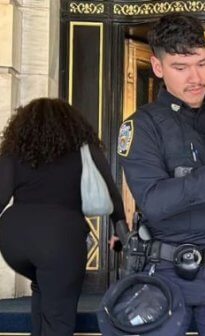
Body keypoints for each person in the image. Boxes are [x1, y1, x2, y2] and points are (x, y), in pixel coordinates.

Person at [116, 13, 205, 336]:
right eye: (181, 67)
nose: (196, 77)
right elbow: (154, 202)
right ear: (158, 67)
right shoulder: (141, 126)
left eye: (202, 63)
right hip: (164, 273)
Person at [0, 98, 125, 335]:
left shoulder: (14, 151)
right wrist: (120, 233)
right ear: (72, 124)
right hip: (60, 237)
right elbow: (111, 192)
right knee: (59, 319)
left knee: (43, 287)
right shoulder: (85, 149)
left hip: (14, 238)